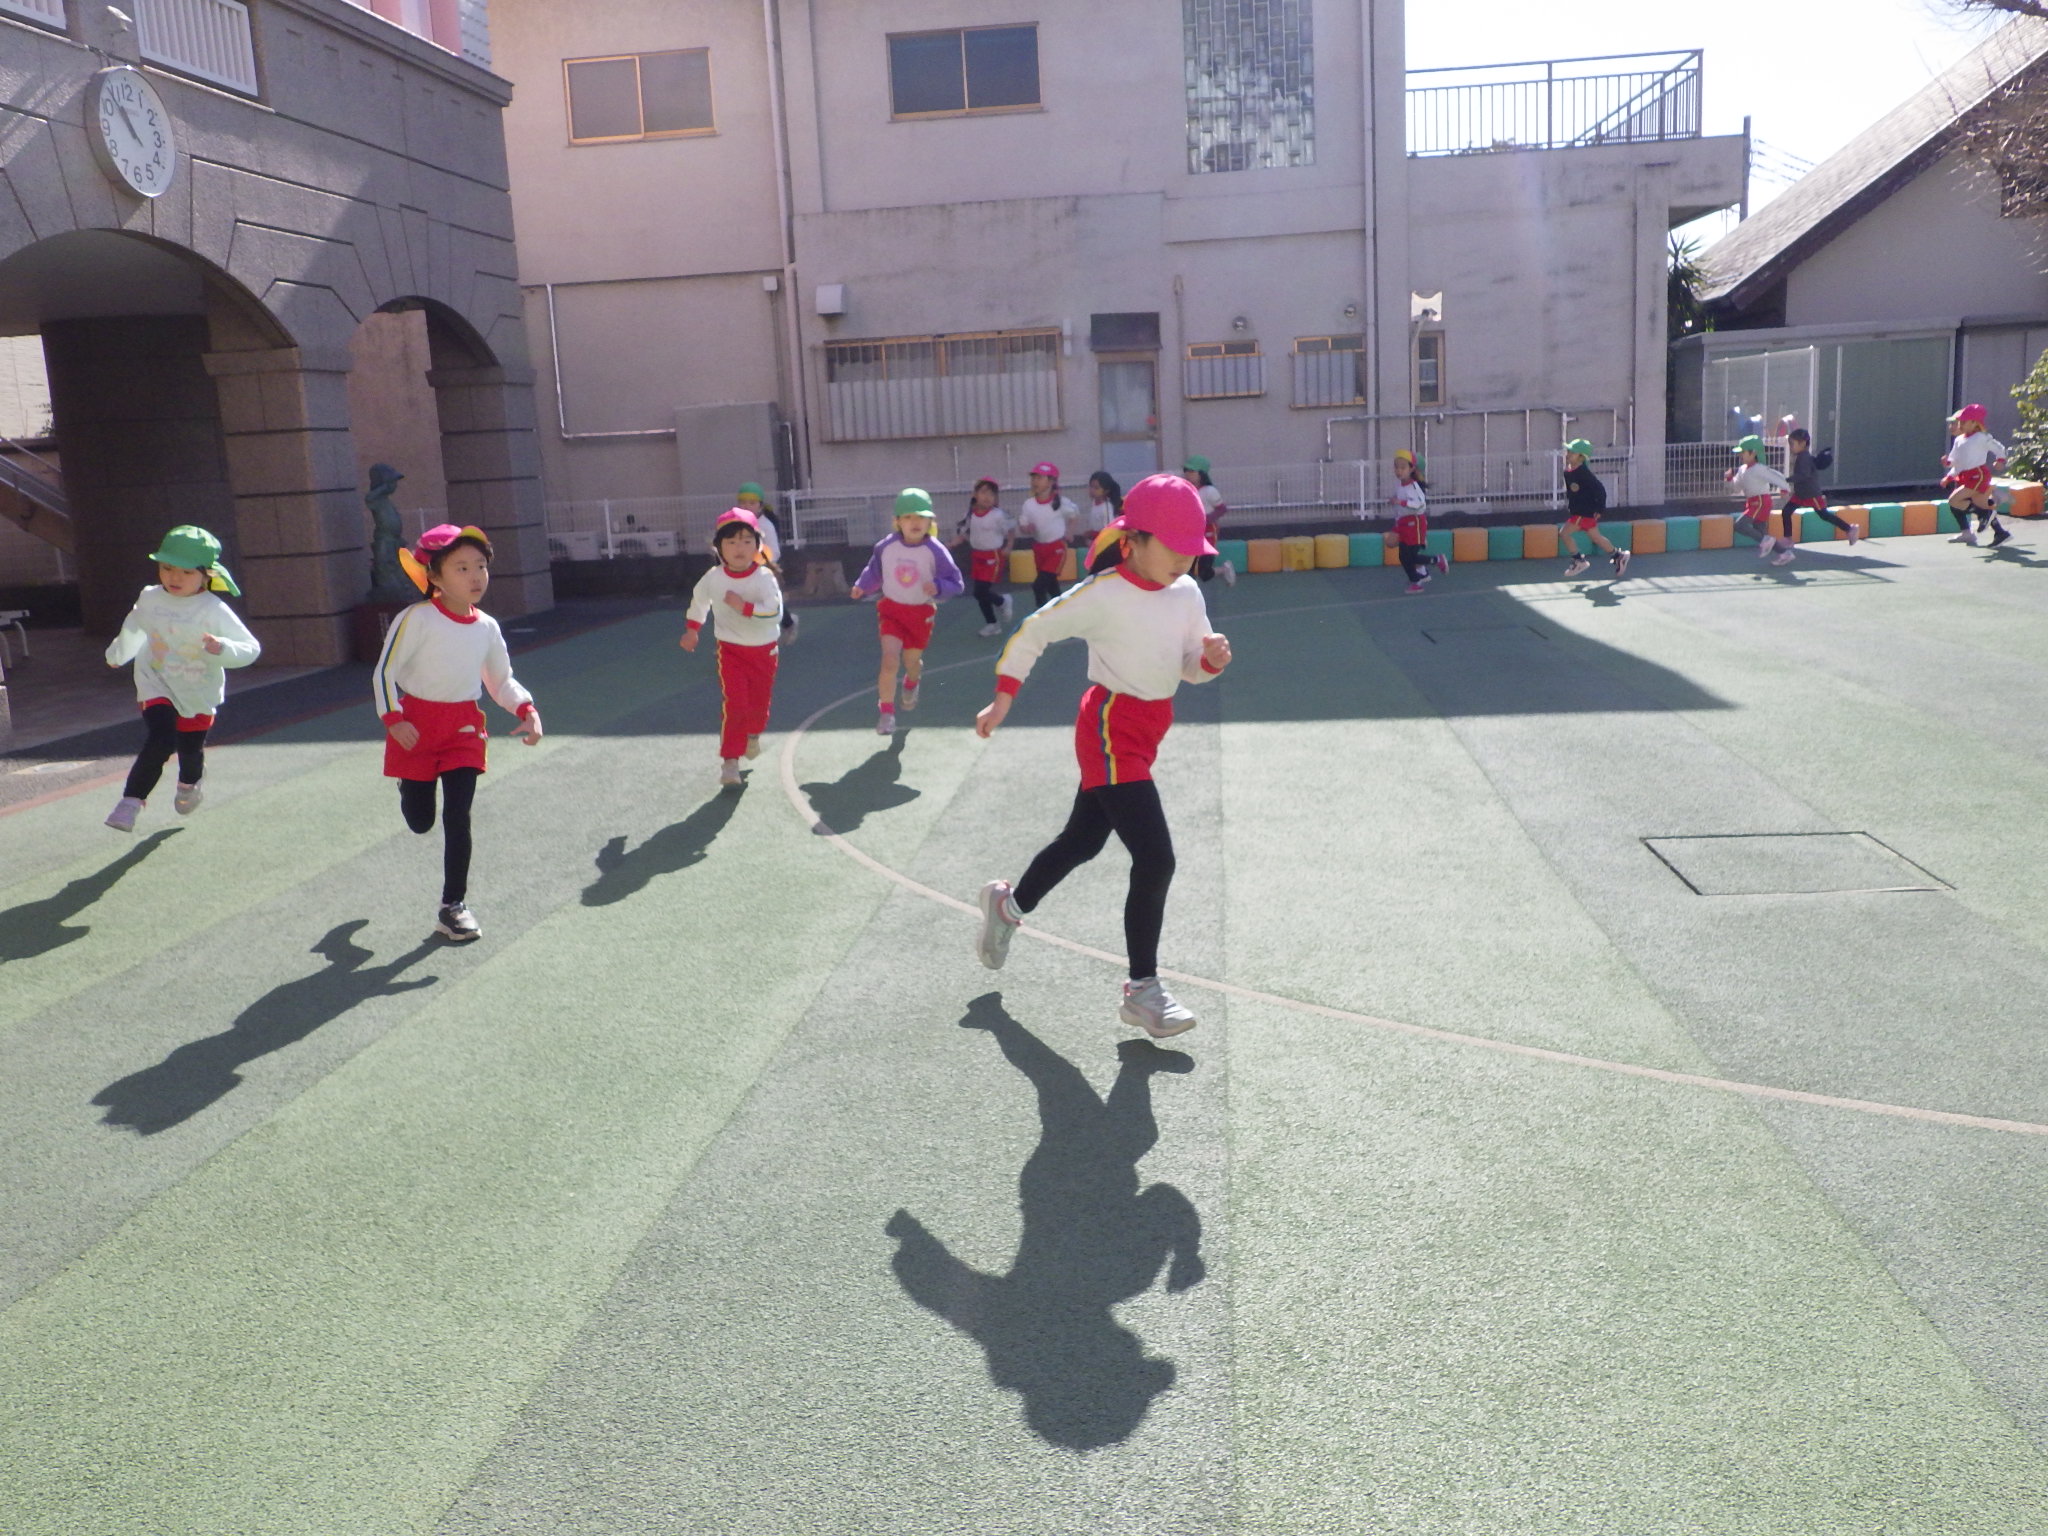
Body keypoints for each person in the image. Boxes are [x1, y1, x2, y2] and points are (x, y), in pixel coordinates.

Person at [971, 473, 1233, 1039]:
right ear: (1133, 541)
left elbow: (1188, 669)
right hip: (1110, 728)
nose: (1185, 560)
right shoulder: (1104, 594)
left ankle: (1007, 908)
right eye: (1174, 547)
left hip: (1148, 731)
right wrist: (1003, 698)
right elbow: (1033, 631)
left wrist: (1210, 660)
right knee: (1156, 858)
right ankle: (1143, 991)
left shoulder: (1187, 593)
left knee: (1082, 842)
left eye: (1193, 550)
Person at [372, 524, 543, 942]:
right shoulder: (415, 619)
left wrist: (526, 708)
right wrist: (395, 718)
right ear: (434, 575)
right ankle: (409, 788)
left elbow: (500, 680)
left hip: (464, 729)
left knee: (458, 815)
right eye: (462, 568)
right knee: (420, 821)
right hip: (414, 728)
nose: (475, 576)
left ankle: (453, 907)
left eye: (480, 566)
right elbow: (384, 673)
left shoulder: (486, 627)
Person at [102, 525, 261, 832]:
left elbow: (250, 648)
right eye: (167, 568)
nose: (174, 577)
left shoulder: (213, 609)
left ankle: (190, 782)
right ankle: (130, 802)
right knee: (161, 738)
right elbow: (135, 627)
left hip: (196, 690)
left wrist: (222, 648)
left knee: (189, 749)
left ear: (206, 575)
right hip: (155, 681)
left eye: (186, 572)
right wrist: (117, 655)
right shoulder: (149, 598)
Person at [681, 506, 784, 786]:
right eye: (732, 541)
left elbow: (775, 612)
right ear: (718, 547)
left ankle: (753, 735)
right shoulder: (713, 578)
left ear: (758, 545)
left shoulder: (764, 578)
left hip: (764, 652)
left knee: (758, 708)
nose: (739, 548)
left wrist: (745, 607)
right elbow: (699, 602)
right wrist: (692, 629)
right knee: (735, 704)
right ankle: (730, 762)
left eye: (747, 541)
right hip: (730, 651)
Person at [853, 488, 965, 734]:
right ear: (897, 521)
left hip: (920, 614)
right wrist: (862, 586)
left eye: (921, 517)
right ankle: (886, 714)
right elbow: (874, 570)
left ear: (930, 521)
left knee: (911, 662)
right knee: (889, 660)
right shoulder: (886, 547)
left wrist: (938, 586)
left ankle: (912, 681)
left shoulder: (936, 551)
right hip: (892, 610)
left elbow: (956, 583)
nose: (915, 522)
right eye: (908, 517)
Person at [948, 477, 1015, 637]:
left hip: (993, 556)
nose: (987, 497)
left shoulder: (998, 515)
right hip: (977, 555)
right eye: (983, 492)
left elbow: (1011, 530)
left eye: (992, 494)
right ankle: (993, 624)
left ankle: (1003, 601)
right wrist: (950, 544)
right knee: (979, 593)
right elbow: (964, 533)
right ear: (975, 494)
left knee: (981, 591)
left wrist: (1009, 546)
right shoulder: (970, 515)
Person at [1941, 404, 2012, 547]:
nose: (1959, 425)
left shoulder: (1981, 437)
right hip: (1965, 476)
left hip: (1978, 475)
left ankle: (1984, 515)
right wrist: (1948, 467)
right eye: (1959, 422)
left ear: (1975, 423)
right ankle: (2000, 533)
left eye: (1963, 422)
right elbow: (1956, 461)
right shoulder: (1959, 440)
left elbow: (1999, 448)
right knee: (1978, 504)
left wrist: (2001, 460)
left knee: (1954, 500)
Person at [737, 481, 799, 643]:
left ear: (760, 505)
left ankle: (789, 623)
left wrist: (761, 564)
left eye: (752, 503)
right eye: (743, 502)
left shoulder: (765, 525)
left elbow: (775, 551)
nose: (747, 506)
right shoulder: (736, 524)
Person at [1559, 439, 1630, 579]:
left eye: (1572, 452)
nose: (1568, 454)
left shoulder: (1583, 473)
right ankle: (1618, 556)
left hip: (1583, 513)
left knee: (1564, 533)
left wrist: (1600, 508)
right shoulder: (1569, 472)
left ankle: (1579, 561)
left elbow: (1600, 490)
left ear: (1581, 457)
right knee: (1596, 537)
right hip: (1581, 512)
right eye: (1568, 451)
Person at [1781, 428, 1857, 551]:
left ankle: (1849, 529)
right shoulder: (1802, 456)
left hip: (1811, 494)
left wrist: (1787, 480)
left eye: (1792, 444)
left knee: (1824, 515)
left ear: (1802, 444)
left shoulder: (1804, 457)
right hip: (1801, 493)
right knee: (1786, 511)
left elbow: (1803, 475)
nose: (1790, 447)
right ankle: (1788, 538)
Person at [1017, 462, 1078, 608]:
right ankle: (1063, 610)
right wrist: (1027, 529)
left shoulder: (1061, 503)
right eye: (1033, 478)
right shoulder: (1029, 504)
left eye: (1039, 478)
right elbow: (1023, 525)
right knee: (1051, 585)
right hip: (1039, 548)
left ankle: (1041, 616)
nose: (1035, 481)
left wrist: (1070, 532)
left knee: (1039, 586)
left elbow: (1074, 515)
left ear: (1051, 482)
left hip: (1056, 548)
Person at [1387, 448, 1449, 594]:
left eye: (1402, 467)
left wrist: (1402, 503)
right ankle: (1421, 573)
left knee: (1409, 556)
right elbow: (1400, 504)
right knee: (1401, 553)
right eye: (1396, 467)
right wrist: (1395, 504)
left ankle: (1428, 568)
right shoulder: (1400, 485)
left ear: (1411, 469)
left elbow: (1420, 505)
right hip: (1403, 522)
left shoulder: (1414, 486)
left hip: (1414, 522)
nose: (1398, 471)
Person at [1725, 435, 1794, 563]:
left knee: (1739, 525)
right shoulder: (1742, 469)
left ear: (1753, 453)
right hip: (1753, 503)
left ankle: (1767, 541)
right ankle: (1785, 553)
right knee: (1760, 531)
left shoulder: (1759, 468)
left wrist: (1784, 488)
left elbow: (1776, 476)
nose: (1740, 455)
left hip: (1761, 502)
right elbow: (1736, 488)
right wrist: (1729, 479)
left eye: (1743, 452)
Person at [1179, 455, 1237, 585]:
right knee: (1188, 569)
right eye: (1186, 470)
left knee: (1204, 573)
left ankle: (1224, 569)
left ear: (1202, 473)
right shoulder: (1184, 490)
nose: (1188, 474)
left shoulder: (1210, 491)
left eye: (1192, 471)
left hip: (1208, 533)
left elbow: (1221, 509)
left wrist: (1206, 520)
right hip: (1190, 532)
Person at [1083, 471, 1122, 538]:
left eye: (1096, 488)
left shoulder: (1106, 508)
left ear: (1106, 491)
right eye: (1091, 486)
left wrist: (1092, 534)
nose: (1092, 490)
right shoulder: (1093, 502)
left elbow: (1108, 531)